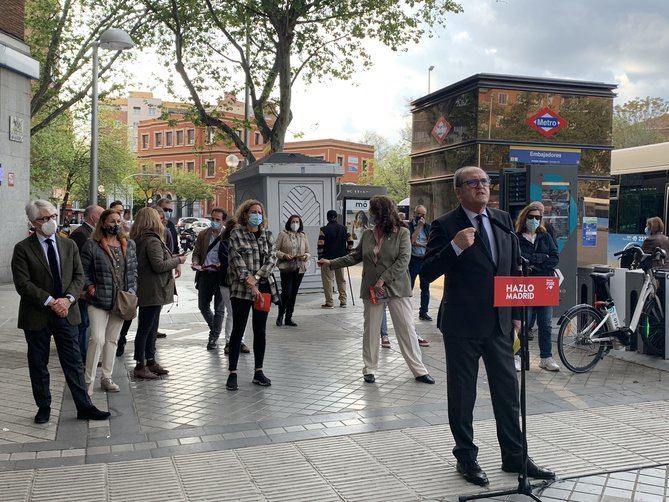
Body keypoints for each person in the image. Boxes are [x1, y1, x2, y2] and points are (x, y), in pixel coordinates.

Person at [422, 166, 554, 486]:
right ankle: (466, 457)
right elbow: (426, 272)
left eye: (485, 182)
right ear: (459, 191)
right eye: (473, 183)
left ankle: (514, 456)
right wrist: (455, 246)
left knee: (507, 393)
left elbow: (510, 268)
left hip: (500, 323)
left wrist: (518, 313)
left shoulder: (502, 219)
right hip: (462, 326)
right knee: (463, 395)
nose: (482, 187)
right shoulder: (445, 225)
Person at [11, 199, 111, 423]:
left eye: (53, 217)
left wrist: (67, 300)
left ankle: (84, 406)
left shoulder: (69, 245)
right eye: (44, 218)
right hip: (37, 315)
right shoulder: (23, 249)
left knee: (74, 361)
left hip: (67, 312)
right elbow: (23, 284)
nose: (50, 222)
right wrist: (50, 301)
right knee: (39, 363)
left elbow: (78, 276)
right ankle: (44, 406)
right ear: (33, 222)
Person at [319, 195, 435, 385]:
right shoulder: (368, 234)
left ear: (382, 212)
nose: (370, 214)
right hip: (372, 289)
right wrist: (331, 263)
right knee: (371, 330)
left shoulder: (402, 233)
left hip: (397, 288)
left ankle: (419, 370)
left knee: (406, 329)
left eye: (373, 210)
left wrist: (383, 279)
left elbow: (403, 261)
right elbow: (355, 256)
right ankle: (369, 369)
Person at [80, 209, 138, 394]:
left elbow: (134, 270)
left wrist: (132, 290)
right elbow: (83, 271)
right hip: (98, 299)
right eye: (112, 221)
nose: (116, 224)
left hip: (121, 300)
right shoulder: (91, 245)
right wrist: (90, 288)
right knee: (97, 339)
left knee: (112, 340)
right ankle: (88, 382)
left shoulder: (129, 245)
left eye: (118, 221)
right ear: (102, 223)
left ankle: (106, 377)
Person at [225, 200, 278, 391]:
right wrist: (249, 281)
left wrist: (256, 278)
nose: (257, 215)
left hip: (263, 288)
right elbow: (236, 261)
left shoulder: (267, 236)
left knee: (260, 331)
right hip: (240, 290)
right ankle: (232, 372)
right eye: (253, 212)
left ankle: (258, 371)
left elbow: (272, 259)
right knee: (238, 330)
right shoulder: (236, 234)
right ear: (245, 214)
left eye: (260, 212)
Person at [130, 207, 186, 379]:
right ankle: (141, 363)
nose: (163, 220)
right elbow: (159, 265)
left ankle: (150, 360)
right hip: (153, 289)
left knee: (149, 326)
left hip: (146, 287)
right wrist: (178, 260)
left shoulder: (137, 238)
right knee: (147, 327)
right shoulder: (152, 240)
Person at [192, 208, 248, 353]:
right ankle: (215, 328)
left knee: (219, 309)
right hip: (205, 274)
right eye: (213, 219)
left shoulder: (228, 235)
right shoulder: (204, 234)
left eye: (218, 220)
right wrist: (195, 263)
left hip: (221, 276)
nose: (214, 222)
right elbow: (197, 252)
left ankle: (213, 337)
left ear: (223, 221)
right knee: (202, 306)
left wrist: (222, 265)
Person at [515, 203, 560, 372]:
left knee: (545, 323)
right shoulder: (516, 237)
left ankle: (546, 357)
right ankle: (518, 355)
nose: (534, 220)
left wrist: (534, 265)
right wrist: (541, 258)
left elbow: (554, 258)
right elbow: (519, 259)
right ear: (524, 217)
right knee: (523, 323)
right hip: (525, 285)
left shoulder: (545, 236)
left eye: (538, 218)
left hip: (543, 284)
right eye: (531, 217)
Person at [69, 204, 104, 361]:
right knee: (83, 323)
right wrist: (83, 287)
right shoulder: (81, 234)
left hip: (90, 286)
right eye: (102, 215)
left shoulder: (90, 233)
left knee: (86, 323)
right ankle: (82, 357)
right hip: (83, 288)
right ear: (93, 217)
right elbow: (81, 265)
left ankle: (84, 356)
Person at [217, 218, 248, 355]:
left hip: (243, 283)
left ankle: (240, 341)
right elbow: (229, 262)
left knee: (243, 314)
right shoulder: (224, 244)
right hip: (227, 283)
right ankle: (229, 342)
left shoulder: (245, 243)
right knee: (232, 312)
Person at [275, 215, 310, 326]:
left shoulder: (303, 235)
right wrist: (285, 255)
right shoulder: (283, 234)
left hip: (299, 267)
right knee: (286, 293)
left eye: (297, 222)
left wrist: (305, 256)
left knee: (293, 294)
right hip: (286, 267)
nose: (295, 224)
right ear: (289, 223)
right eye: (293, 221)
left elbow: (309, 252)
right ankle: (280, 314)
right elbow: (275, 250)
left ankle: (289, 317)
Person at [317, 210, 352, 308]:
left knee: (328, 280)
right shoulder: (344, 228)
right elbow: (350, 242)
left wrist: (320, 257)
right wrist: (347, 253)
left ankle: (329, 302)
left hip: (327, 259)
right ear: (336, 217)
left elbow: (320, 245)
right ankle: (343, 301)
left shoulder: (324, 229)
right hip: (341, 259)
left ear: (327, 218)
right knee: (341, 280)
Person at [409, 205, 433, 321]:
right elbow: (411, 242)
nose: (421, 217)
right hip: (413, 260)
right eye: (419, 214)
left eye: (423, 214)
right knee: (409, 286)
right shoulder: (409, 226)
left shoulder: (428, 227)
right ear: (414, 213)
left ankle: (423, 312)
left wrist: (420, 244)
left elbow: (431, 242)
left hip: (424, 259)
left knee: (425, 287)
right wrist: (418, 228)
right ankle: (407, 311)